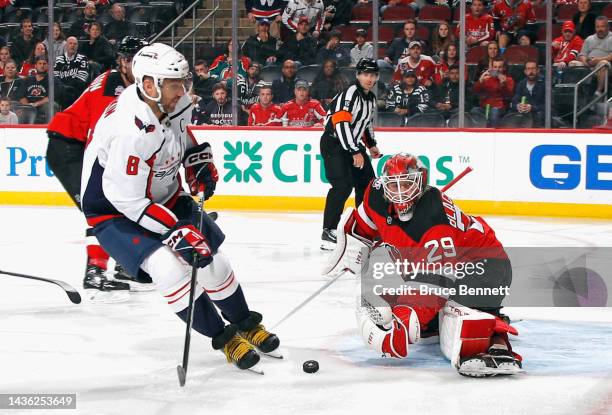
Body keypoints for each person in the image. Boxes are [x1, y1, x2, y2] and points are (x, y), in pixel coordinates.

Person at [81, 42, 280, 370]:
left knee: (214, 261)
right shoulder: (128, 130)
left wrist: (195, 161)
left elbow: (178, 132)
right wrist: (176, 231)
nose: (182, 90)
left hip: (162, 194)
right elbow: (128, 201)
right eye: (175, 84)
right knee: (169, 269)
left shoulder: (169, 99)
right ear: (149, 85)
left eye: (183, 82)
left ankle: (246, 323)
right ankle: (224, 337)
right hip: (115, 210)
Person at [322, 153, 522, 377]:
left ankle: (495, 338)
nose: (399, 192)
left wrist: (400, 329)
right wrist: (354, 248)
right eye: (393, 184)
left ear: (420, 182)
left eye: (406, 184)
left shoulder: (434, 219)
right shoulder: (376, 192)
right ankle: (447, 320)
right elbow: (363, 225)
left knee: (461, 315)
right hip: (448, 267)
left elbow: (432, 285)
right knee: (417, 316)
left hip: (485, 266)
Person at [46, 37, 150, 300]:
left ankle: (124, 264)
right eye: (132, 61)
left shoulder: (132, 88)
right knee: (100, 206)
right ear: (122, 62)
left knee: (121, 203)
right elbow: (101, 135)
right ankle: (95, 271)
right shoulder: (112, 84)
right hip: (69, 148)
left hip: (79, 146)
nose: (137, 67)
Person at [320, 59, 381, 250]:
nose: (369, 78)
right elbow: (341, 124)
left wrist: (370, 145)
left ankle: (363, 227)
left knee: (369, 184)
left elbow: (365, 123)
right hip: (334, 143)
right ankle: (328, 231)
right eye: (365, 74)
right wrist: (355, 151)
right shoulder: (350, 94)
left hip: (351, 143)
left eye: (372, 75)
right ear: (358, 75)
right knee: (342, 186)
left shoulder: (370, 98)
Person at [472, 57, 515, 127]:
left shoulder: (509, 80)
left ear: (504, 68)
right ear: (492, 68)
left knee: (494, 111)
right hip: (485, 106)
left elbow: (508, 96)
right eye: (495, 67)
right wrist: (480, 80)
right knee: (475, 110)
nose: (497, 69)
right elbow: (475, 91)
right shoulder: (487, 78)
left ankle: (494, 134)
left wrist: (503, 84)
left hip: (500, 107)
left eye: (500, 67)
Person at [578, 16, 612, 97]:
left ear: (608, 27)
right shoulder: (589, 39)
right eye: (597, 27)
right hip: (589, 66)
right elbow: (582, 54)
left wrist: (598, 60)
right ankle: (575, 92)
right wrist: (585, 61)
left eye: (602, 26)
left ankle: (598, 92)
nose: (600, 29)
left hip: (606, 67)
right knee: (573, 63)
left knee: (602, 64)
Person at [54, 36, 90, 108]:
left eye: (75, 44)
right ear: (66, 45)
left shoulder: (82, 59)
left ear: (77, 46)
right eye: (70, 43)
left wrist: (68, 85)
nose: (72, 46)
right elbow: (55, 77)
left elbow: (82, 78)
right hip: (62, 92)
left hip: (76, 91)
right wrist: (64, 87)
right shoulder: (58, 60)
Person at [17, 55, 51, 123]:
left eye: (44, 64)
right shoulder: (27, 80)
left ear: (48, 66)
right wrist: (27, 106)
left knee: (51, 106)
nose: (42, 66)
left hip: (43, 106)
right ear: (35, 66)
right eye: (40, 63)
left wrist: (36, 104)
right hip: (28, 105)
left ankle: (50, 129)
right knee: (15, 106)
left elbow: (51, 97)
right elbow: (21, 96)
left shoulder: (52, 80)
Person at [511, 60, 545, 127]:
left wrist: (532, 107)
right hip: (525, 116)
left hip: (539, 116)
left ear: (538, 70)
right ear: (525, 71)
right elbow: (514, 101)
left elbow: (549, 105)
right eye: (528, 69)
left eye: (533, 69)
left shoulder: (544, 84)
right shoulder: (521, 84)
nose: (531, 72)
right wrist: (518, 106)